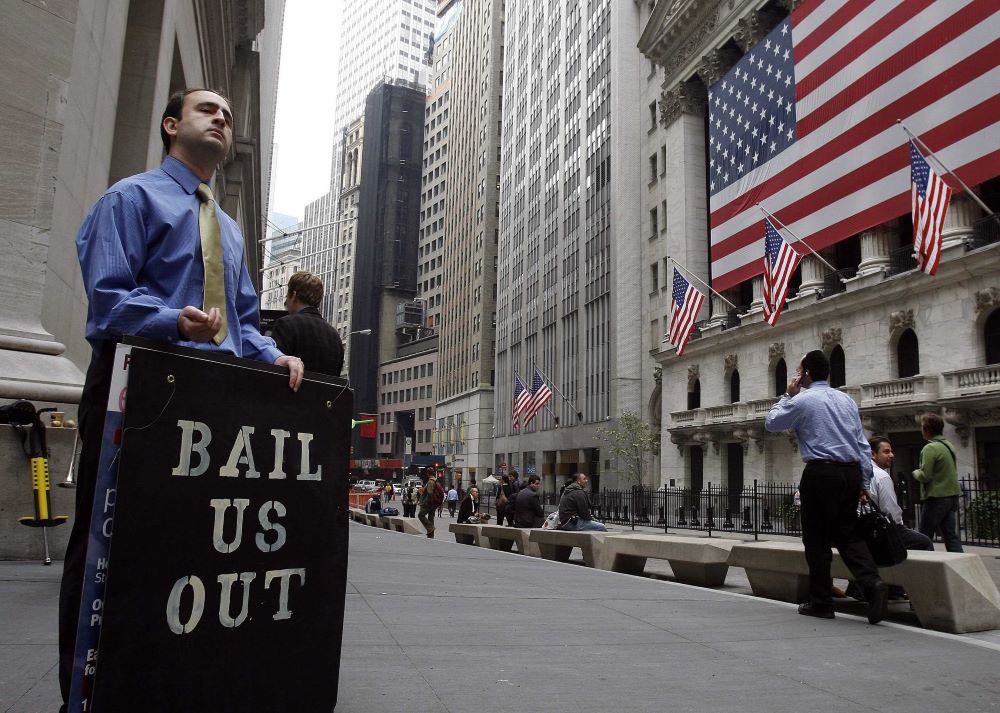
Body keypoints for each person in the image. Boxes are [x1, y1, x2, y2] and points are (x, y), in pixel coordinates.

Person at [63, 88, 304, 710]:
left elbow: (244, 320)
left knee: (187, 552)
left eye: (228, 114)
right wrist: (173, 320)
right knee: (107, 549)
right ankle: (85, 693)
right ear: (172, 125)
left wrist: (273, 355)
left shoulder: (227, 227)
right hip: (134, 391)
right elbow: (109, 302)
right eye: (206, 110)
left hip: (208, 408)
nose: (221, 118)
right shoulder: (130, 198)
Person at [764, 350, 888, 624]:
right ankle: (873, 583)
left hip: (821, 473)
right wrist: (864, 482)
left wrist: (787, 395)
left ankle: (821, 602)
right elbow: (862, 445)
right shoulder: (846, 400)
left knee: (817, 539)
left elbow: (772, 423)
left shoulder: (803, 400)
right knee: (849, 535)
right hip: (851, 472)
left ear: (805, 374)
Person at [846, 436, 934, 601]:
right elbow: (891, 513)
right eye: (886, 451)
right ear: (872, 454)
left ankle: (868, 588)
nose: (892, 455)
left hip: (858, 530)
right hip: (877, 530)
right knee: (924, 542)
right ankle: (921, 594)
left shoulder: (855, 472)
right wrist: (901, 527)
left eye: (891, 451)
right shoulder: (881, 476)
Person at [270, 271, 345, 376]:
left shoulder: (286, 324)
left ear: (294, 295)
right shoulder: (335, 337)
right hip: (325, 393)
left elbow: (275, 368)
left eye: (287, 295)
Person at [913, 412, 964, 552]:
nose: (921, 430)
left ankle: (926, 568)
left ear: (927, 429)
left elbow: (925, 476)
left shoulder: (930, 448)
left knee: (924, 536)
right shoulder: (948, 445)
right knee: (950, 536)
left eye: (922, 427)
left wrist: (915, 472)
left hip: (936, 497)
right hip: (951, 497)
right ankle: (959, 566)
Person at [418, 471, 436, 538]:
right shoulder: (435, 480)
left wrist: (425, 502)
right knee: (431, 518)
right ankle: (431, 535)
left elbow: (430, 493)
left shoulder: (430, 481)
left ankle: (430, 528)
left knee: (420, 515)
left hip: (429, 503)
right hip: (434, 503)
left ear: (428, 474)